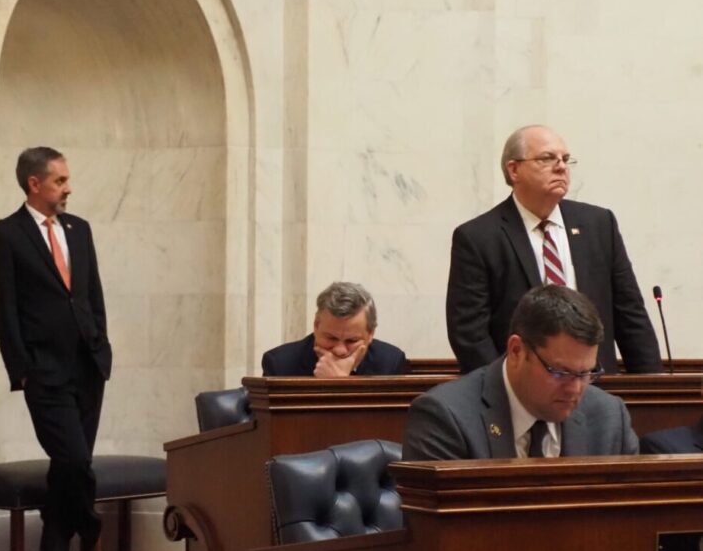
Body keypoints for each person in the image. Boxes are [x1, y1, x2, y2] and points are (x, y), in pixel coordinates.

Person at [446, 124, 662, 374]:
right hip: (521, 393)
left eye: (565, 159)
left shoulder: (598, 224)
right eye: (547, 158)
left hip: (597, 386)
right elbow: (469, 333)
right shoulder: (479, 237)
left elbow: (630, 313)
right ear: (514, 169)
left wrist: (651, 386)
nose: (561, 166)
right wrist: (504, 389)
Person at [0, 147, 112, 551]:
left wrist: (103, 349)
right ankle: (92, 526)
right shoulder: (9, 233)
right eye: (60, 181)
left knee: (66, 470)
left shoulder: (79, 229)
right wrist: (21, 370)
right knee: (74, 460)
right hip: (44, 372)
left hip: (89, 366)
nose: (68, 188)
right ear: (34, 184)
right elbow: (6, 308)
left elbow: (92, 295)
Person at [403, 284, 638, 461]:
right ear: (516, 351)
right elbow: (443, 526)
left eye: (586, 373)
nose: (575, 389)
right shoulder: (445, 418)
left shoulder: (609, 419)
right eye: (560, 372)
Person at [261, 281, 408, 377]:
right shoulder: (279, 364)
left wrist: (341, 385)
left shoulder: (390, 362)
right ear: (316, 326)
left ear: (370, 334)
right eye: (331, 338)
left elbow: (387, 423)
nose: (339, 350)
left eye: (352, 340)